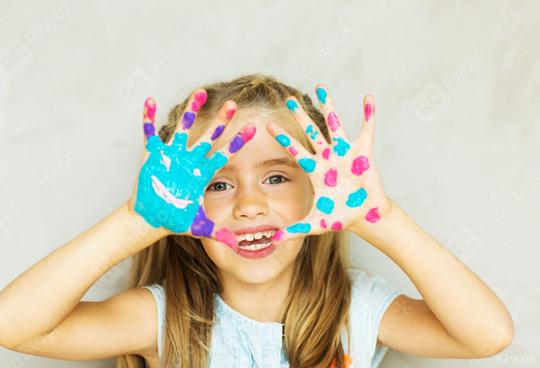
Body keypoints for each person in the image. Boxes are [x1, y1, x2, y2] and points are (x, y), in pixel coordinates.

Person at [0, 74, 514, 368]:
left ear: (316, 190)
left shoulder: (354, 310)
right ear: (187, 207)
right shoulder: (164, 318)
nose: (249, 205)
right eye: (218, 185)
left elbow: (487, 335)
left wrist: (382, 221)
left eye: (276, 178)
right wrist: (137, 222)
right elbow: (13, 326)